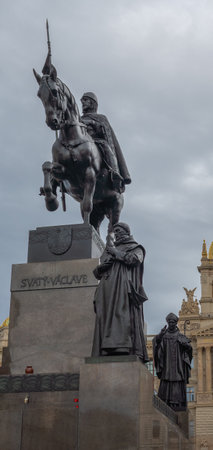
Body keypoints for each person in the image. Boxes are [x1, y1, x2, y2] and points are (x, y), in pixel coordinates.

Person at [92, 222, 148, 361]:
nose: (116, 233)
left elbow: (134, 259)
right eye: (114, 231)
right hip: (107, 290)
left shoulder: (135, 247)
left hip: (122, 289)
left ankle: (121, 347)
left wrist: (116, 253)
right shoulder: (110, 249)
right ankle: (105, 349)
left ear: (126, 232)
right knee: (105, 318)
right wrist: (102, 266)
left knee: (121, 317)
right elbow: (98, 272)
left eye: (119, 230)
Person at [80, 92, 131, 193]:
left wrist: (92, 123)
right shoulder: (79, 119)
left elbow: (104, 132)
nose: (83, 103)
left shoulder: (101, 118)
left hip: (97, 142)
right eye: (82, 101)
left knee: (106, 146)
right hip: (81, 144)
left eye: (85, 100)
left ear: (93, 103)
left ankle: (114, 173)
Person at [153, 313, 192, 411]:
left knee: (177, 380)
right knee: (166, 380)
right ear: (167, 322)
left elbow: (189, 349)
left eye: (173, 322)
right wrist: (160, 335)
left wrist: (186, 346)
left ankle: (178, 402)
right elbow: (156, 343)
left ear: (176, 323)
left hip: (178, 364)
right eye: (169, 322)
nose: (171, 324)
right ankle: (165, 401)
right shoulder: (164, 335)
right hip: (167, 364)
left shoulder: (180, 336)